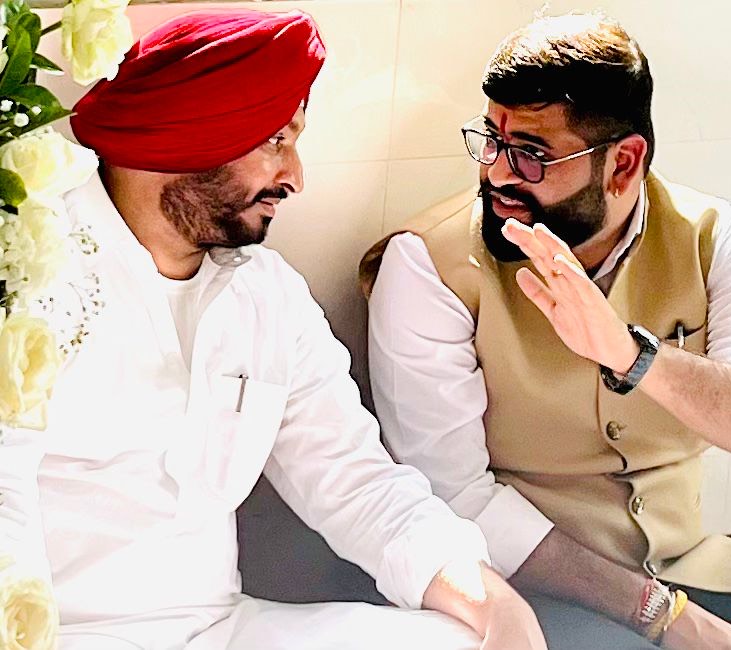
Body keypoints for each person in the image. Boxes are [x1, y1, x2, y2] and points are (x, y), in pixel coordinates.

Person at [0, 10, 549, 650]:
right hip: (56, 638)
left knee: (468, 639)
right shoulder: (28, 270)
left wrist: (494, 602)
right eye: (275, 142)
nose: (295, 177)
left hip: (221, 632)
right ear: (188, 136)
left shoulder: (267, 295)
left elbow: (358, 483)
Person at [362, 11, 731, 650]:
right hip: (536, 592)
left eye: (532, 154)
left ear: (623, 163)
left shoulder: (712, 238)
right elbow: (454, 498)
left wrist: (633, 356)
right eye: (491, 141)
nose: (498, 174)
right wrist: (664, 616)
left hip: (694, 569)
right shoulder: (429, 265)